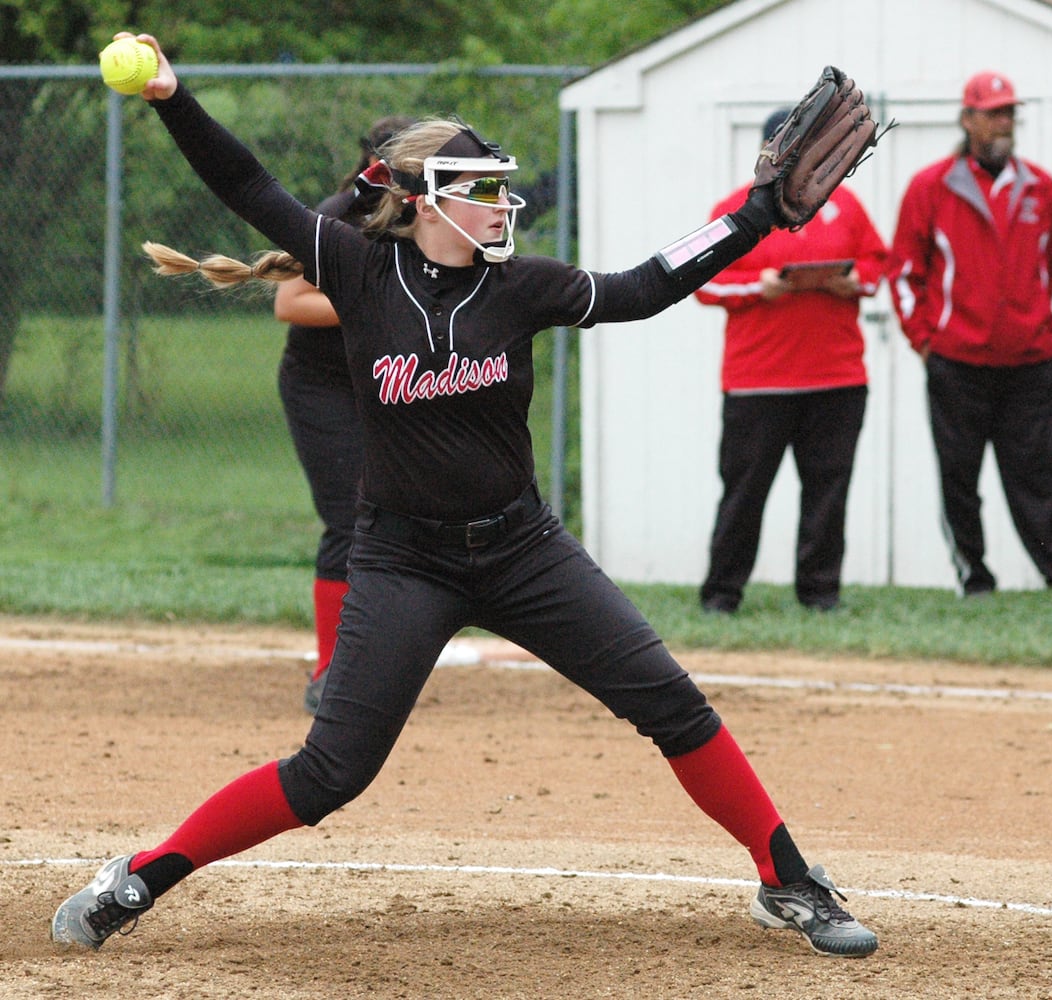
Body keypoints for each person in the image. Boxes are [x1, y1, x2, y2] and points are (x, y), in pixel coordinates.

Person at [51, 34, 879, 960]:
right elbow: (248, 186)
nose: (503, 204)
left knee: (673, 705)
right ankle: (143, 873)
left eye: (502, 188)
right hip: (406, 559)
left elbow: (645, 286)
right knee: (329, 773)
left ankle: (788, 879)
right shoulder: (361, 270)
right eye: (484, 189)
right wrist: (172, 96)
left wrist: (756, 215)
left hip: (525, 551)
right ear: (423, 199)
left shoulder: (521, 285)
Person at [888, 71, 1052, 596]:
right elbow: (905, 272)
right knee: (959, 478)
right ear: (968, 118)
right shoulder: (930, 187)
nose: (1004, 122)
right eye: (994, 112)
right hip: (957, 364)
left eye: (1009, 113)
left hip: (1030, 363)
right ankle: (974, 578)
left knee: (1040, 475)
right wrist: (926, 342)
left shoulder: (1039, 186)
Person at [696, 109, 888, 615]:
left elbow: (876, 266)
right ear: (768, 154)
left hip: (837, 378)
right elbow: (702, 282)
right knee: (745, 492)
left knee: (828, 490)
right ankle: (722, 595)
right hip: (758, 382)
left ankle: (821, 593)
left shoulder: (844, 206)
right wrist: (761, 287)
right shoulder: (735, 211)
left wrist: (852, 281)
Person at [274, 115, 417, 715]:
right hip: (324, 387)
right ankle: (332, 669)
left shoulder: (429, 217)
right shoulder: (339, 216)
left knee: (403, 514)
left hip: (388, 383)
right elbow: (290, 302)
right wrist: (377, 299)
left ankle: (382, 657)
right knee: (351, 517)